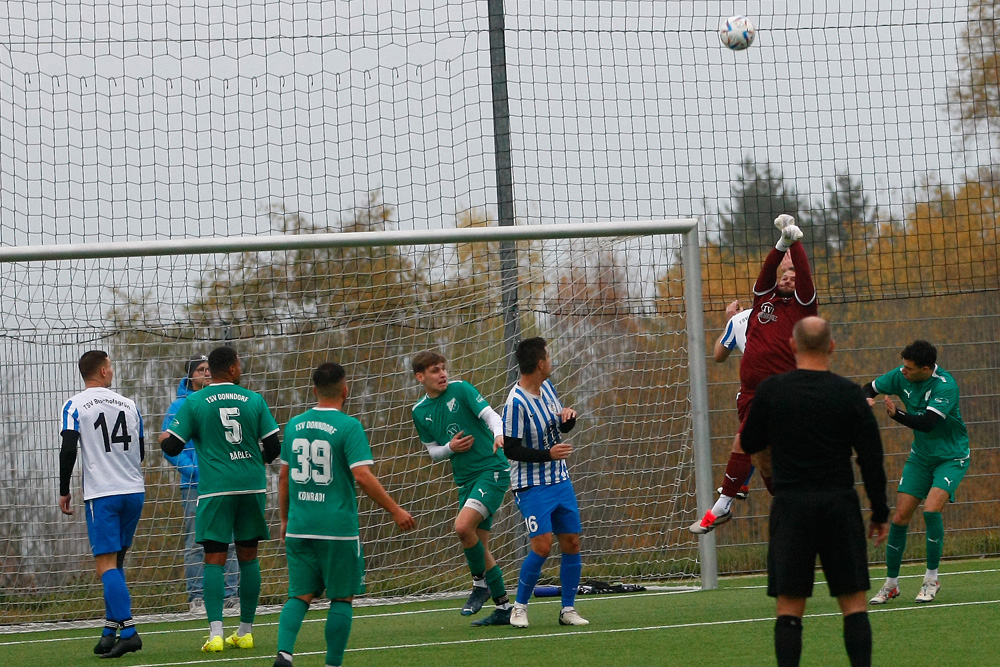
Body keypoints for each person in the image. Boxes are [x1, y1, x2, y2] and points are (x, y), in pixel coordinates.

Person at [740, 317, 889, 667]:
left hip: (791, 506)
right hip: (839, 504)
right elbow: (871, 458)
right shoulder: (850, 394)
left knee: (789, 608)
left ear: (791, 346)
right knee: (853, 604)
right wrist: (879, 512)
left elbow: (749, 442)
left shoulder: (772, 392)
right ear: (832, 347)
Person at [273, 362, 415, 667]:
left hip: (300, 525)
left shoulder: (295, 425)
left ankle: (284, 653)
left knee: (299, 594)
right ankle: (332, 663)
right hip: (336, 528)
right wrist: (395, 509)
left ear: (314, 390)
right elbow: (362, 476)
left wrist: (284, 520)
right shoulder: (349, 427)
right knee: (341, 598)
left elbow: (283, 478)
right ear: (345, 389)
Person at [691, 215, 818, 534]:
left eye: (792, 276)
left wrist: (797, 242)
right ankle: (797, 506)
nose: (788, 278)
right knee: (763, 458)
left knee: (744, 441)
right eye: (784, 275)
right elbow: (765, 274)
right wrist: (781, 245)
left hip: (779, 392)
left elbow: (803, 274)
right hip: (749, 393)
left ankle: (722, 506)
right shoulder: (762, 300)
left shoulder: (803, 308)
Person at [160, 345, 281, 652]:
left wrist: (165, 437)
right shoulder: (254, 399)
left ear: (209, 372)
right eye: (239, 365)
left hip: (215, 489)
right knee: (248, 556)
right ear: (231, 369)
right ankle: (245, 631)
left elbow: (172, 448)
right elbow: (273, 447)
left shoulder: (195, 401)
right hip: (251, 486)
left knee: (213, 558)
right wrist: (255, 461)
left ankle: (215, 634)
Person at [863, 340, 971, 605]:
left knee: (931, 510)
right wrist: (866, 397)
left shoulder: (946, 385)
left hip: (951, 457)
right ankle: (890, 585)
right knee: (899, 518)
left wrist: (897, 414)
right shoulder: (902, 375)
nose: (903, 372)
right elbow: (870, 387)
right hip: (920, 458)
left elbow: (928, 423)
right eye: (903, 366)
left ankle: (931, 579)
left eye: (909, 369)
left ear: (925, 369)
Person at [410, 351, 513, 626]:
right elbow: (433, 452)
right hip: (465, 480)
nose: (442, 374)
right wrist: (450, 448)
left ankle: (479, 585)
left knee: (462, 527)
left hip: (492, 470)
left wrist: (498, 434)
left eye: (443, 368)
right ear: (420, 377)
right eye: (434, 370)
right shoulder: (419, 411)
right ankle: (504, 608)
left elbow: (491, 415)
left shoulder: (461, 389)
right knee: (479, 546)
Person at [59, 350, 146, 659]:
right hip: (134, 491)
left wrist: (63, 489)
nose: (112, 371)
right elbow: (142, 450)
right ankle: (110, 631)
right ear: (103, 372)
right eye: (110, 366)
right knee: (117, 562)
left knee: (105, 565)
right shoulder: (130, 404)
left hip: (103, 495)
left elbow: (69, 448)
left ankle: (130, 632)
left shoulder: (75, 405)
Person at [503, 337, 588, 628]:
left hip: (560, 480)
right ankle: (519, 607)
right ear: (540, 364)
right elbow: (511, 449)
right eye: (548, 357)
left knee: (572, 542)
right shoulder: (515, 402)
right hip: (531, 485)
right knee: (541, 546)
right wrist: (547, 454)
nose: (551, 362)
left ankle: (568, 609)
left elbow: (557, 426)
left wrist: (568, 419)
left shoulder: (548, 389)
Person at [712, 254, 797, 501]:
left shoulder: (740, 319)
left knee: (755, 439)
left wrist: (728, 323)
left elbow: (718, 355)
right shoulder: (795, 313)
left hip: (756, 393)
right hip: (787, 390)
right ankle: (750, 487)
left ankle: (741, 485)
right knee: (762, 445)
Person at [161, 354, 239, 613]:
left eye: (208, 369)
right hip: (194, 485)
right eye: (201, 369)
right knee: (197, 540)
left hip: (223, 481)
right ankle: (197, 596)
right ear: (190, 375)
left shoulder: (220, 401)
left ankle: (231, 594)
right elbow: (168, 446)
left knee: (228, 540)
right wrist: (193, 470)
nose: (206, 373)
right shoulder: (179, 406)